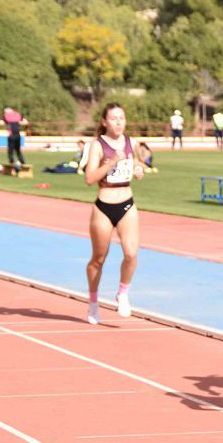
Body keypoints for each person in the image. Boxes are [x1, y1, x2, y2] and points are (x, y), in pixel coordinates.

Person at [84, 103, 144, 325]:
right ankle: (92, 302)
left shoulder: (131, 142)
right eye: (114, 118)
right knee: (99, 258)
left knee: (131, 253)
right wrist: (111, 163)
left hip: (127, 203)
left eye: (122, 118)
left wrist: (139, 170)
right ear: (104, 122)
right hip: (104, 206)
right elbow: (90, 179)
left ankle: (123, 293)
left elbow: (136, 165)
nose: (119, 122)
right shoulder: (97, 146)